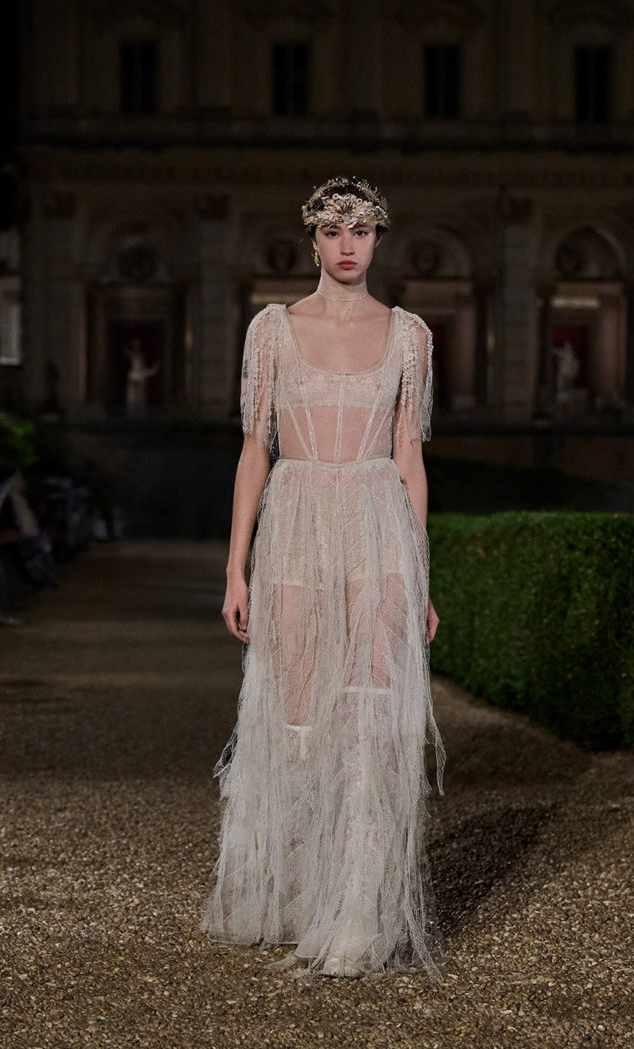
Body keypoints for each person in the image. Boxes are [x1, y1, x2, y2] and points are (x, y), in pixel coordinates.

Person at [201, 176, 445, 979]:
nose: (348, 245)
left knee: (371, 712)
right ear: (311, 240)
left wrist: (420, 575)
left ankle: (358, 915)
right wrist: (235, 568)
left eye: (362, 230)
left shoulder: (409, 336)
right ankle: (303, 892)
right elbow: (254, 450)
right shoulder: (272, 330)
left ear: (379, 238)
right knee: (298, 713)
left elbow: (409, 457)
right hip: (297, 525)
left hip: (376, 523)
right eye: (334, 230)